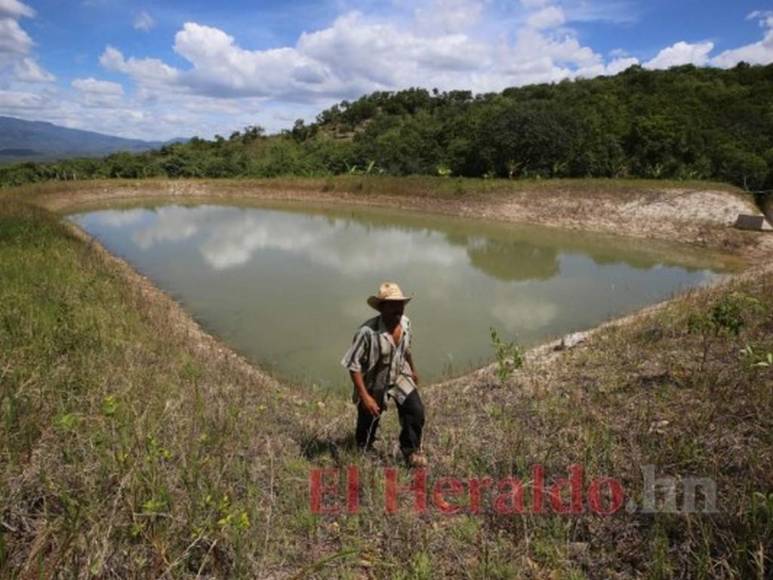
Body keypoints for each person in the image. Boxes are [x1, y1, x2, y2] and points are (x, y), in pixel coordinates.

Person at [341, 282, 427, 468]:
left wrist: (412, 370)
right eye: (393, 304)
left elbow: (406, 349)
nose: (399, 309)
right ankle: (364, 449)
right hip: (375, 381)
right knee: (368, 420)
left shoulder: (405, 324)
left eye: (401, 304)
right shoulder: (367, 332)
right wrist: (365, 397)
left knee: (415, 411)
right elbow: (353, 365)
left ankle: (410, 450)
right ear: (382, 307)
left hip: (399, 374)